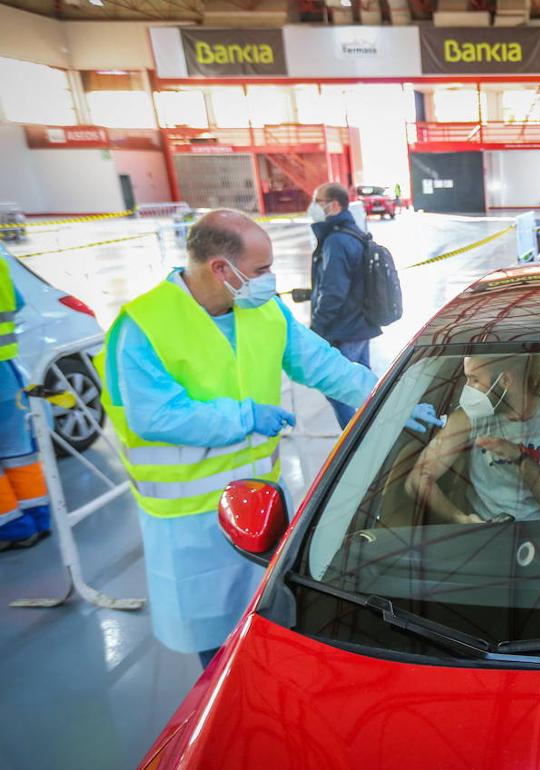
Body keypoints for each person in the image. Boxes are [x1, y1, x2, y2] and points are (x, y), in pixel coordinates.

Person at [95, 209, 378, 667]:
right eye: (262, 270)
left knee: (265, 628)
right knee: (216, 650)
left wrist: (382, 396)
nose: (270, 280)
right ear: (221, 269)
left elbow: (324, 365)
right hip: (189, 519)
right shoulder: (143, 326)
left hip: (260, 506)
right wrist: (244, 416)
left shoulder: (263, 310)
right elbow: (156, 416)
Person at [404, 353, 540, 523]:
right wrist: (461, 519)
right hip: (485, 533)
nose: (466, 389)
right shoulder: (469, 418)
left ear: (505, 380)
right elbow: (417, 480)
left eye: (474, 380)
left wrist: (519, 458)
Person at [308, 182, 382, 428]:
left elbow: (332, 293)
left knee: (336, 387)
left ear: (334, 204)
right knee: (364, 385)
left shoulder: (337, 241)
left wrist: (316, 329)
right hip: (360, 324)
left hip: (346, 328)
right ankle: (373, 430)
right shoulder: (353, 233)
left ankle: (355, 441)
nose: (314, 207)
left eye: (318, 201)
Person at [0, 257, 51, 551]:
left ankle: (11, 526)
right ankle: (38, 517)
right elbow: (17, 303)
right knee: (19, 452)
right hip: (7, 371)